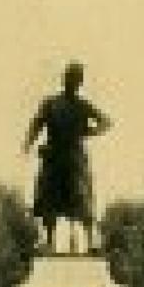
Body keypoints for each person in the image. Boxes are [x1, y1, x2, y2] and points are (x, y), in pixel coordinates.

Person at [22, 62, 111, 252]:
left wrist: (88, 132)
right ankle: (48, 240)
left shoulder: (83, 105)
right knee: (48, 197)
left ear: (79, 83)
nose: (71, 82)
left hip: (74, 157)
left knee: (82, 196)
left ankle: (91, 240)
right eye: (69, 77)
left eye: (75, 79)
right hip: (53, 156)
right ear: (64, 79)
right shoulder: (51, 103)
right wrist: (28, 142)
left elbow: (106, 122)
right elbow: (36, 124)